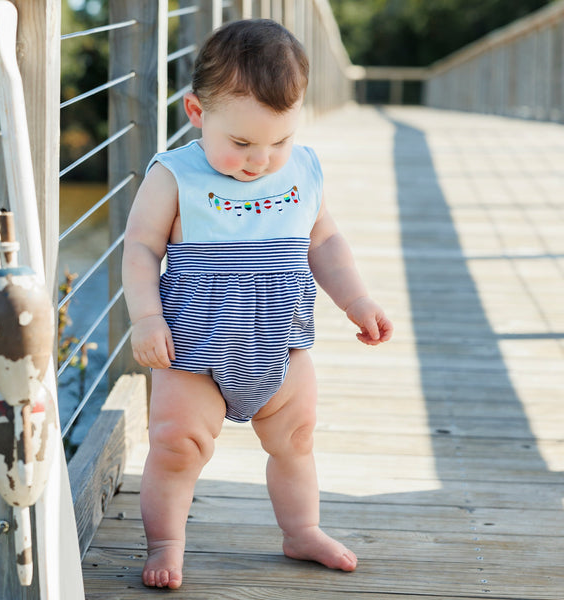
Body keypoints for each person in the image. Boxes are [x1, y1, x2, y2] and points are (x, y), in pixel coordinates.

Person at [122, 18, 393, 590]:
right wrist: (146, 316)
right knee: (177, 446)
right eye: (241, 143)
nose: (260, 159)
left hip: (281, 349)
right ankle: (166, 540)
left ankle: (302, 531)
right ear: (197, 113)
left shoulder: (304, 170)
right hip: (193, 350)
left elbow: (325, 243)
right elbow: (142, 249)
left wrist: (357, 298)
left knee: (296, 441)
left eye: (280, 140)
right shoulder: (175, 176)